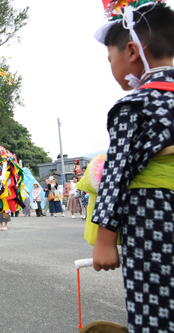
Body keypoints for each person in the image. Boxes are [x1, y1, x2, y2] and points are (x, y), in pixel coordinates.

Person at [91, 2, 174, 331]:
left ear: (132, 51)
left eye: (109, 57)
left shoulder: (136, 104)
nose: (110, 65)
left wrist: (105, 239)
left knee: (153, 308)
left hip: (152, 219)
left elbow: (117, 173)